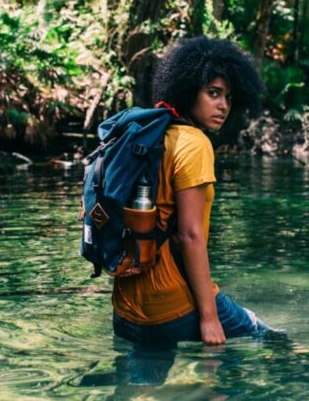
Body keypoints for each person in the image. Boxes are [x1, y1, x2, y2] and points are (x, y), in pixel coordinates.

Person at [111, 36, 271, 350]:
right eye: (213, 93)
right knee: (270, 340)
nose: (223, 105)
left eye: (228, 96)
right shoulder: (195, 144)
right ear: (187, 91)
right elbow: (190, 236)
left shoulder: (146, 138)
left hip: (126, 312)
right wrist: (209, 318)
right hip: (174, 307)